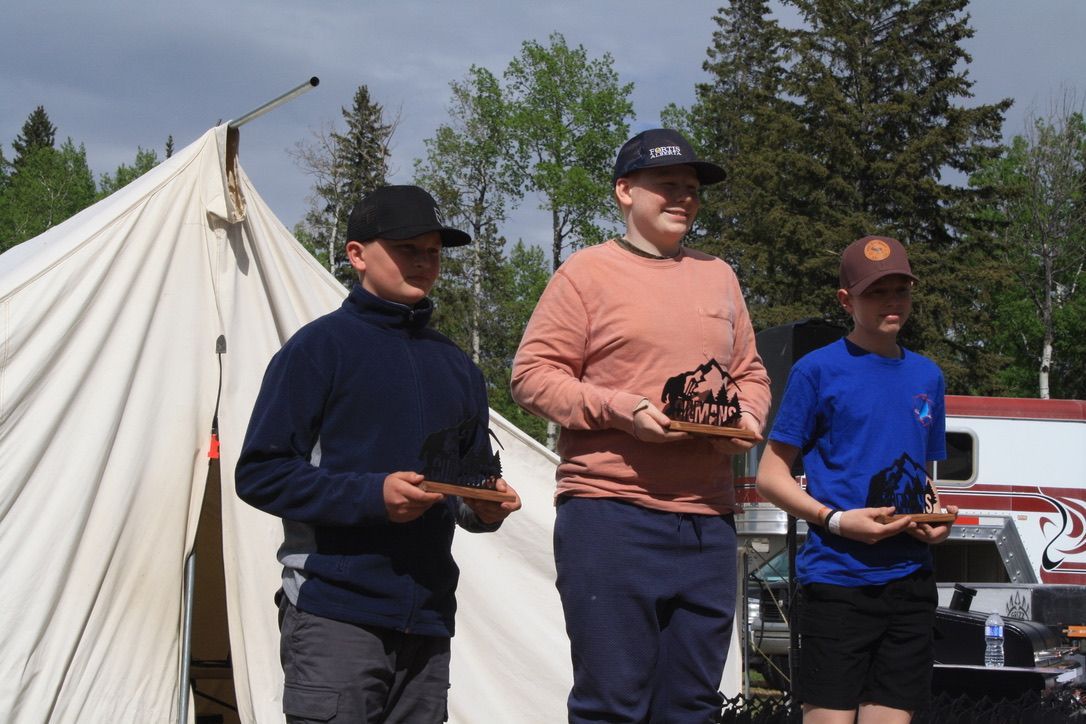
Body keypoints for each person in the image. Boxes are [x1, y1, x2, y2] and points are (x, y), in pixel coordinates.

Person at [511, 128, 771, 723]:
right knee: (613, 704)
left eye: (693, 189)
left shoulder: (719, 276)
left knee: (692, 706)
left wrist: (750, 414)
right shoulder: (586, 273)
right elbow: (530, 375)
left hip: (708, 521)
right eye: (668, 186)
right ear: (625, 191)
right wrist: (623, 412)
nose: (684, 198)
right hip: (610, 514)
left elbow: (749, 371)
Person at [236, 185, 521, 724]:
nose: (423, 261)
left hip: (430, 618)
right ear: (357, 254)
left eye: (433, 251)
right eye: (406, 248)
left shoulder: (458, 367)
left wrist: (484, 507)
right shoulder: (318, 349)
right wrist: (373, 495)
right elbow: (260, 474)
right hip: (333, 611)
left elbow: (467, 483)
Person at [755, 235, 958, 724]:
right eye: (876, 292)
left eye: (900, 290)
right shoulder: (816, 370)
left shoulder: (928, 376)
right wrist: (839, 521)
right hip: (838, 582)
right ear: (846, 300)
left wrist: (933, 518)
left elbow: (920, 477)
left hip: (910, 584)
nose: (892, 302)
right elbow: (769, 477)